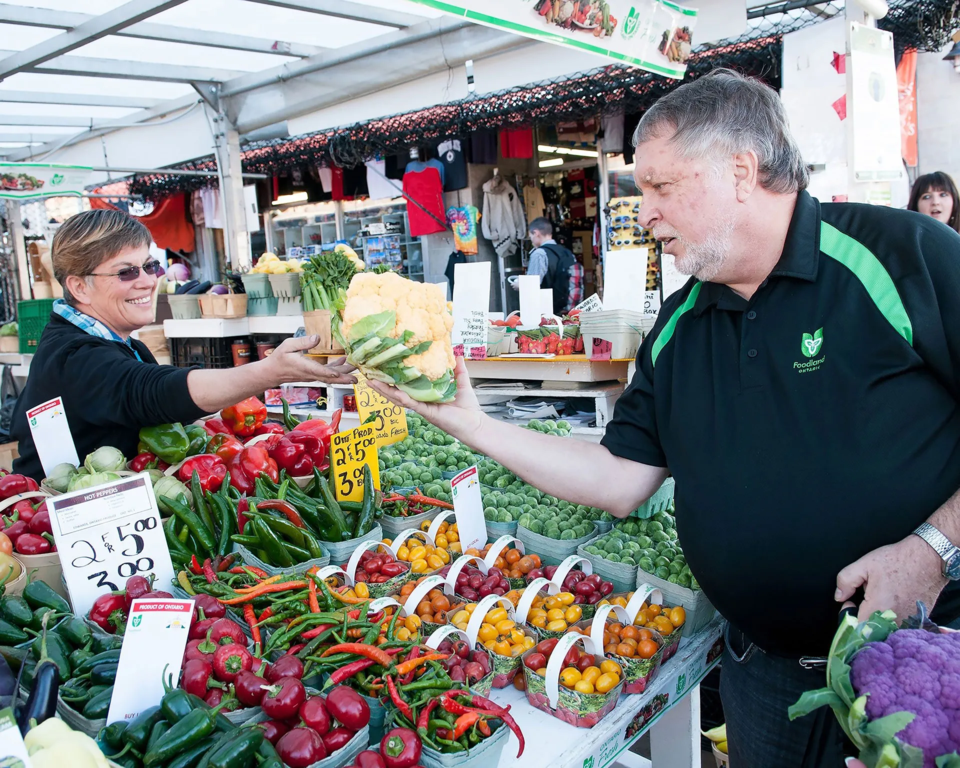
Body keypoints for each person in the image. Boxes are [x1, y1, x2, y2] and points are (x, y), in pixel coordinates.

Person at [371, 69, 960, 768]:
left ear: (741, 172)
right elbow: (620, 477)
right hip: (760, 673)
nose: (643, 212)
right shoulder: (681, 323)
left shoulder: (901, 257)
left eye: (661, 186)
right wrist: (471, 422)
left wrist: (934, 546)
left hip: (924, 664)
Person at [11, 209, 355, 480]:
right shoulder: (73, 356)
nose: (147, 281)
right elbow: (154, 392)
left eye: (149, 265)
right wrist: (270, 371)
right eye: (125, 272)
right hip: (55, 535)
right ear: (80, 287)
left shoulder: (123, 344)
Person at [525, 218, 583, 315]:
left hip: (549, 314)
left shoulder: (539, 254)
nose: (531, 240)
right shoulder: (567, 252)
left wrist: (519, 285)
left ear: (536, 233)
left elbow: (531, 286)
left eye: (531, 236)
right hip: (570, 312)